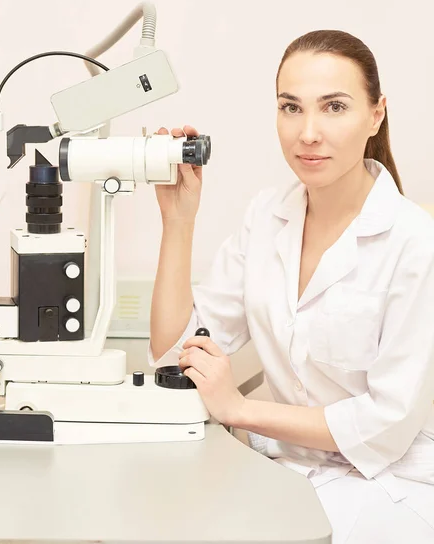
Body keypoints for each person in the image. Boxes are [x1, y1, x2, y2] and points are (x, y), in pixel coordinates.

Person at [150, 31, 434, 542]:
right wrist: (179, 220)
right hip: (284, 478)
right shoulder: (267, 217)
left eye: (334, 107)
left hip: (388, 488)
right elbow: (175, 350)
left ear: (376, 114)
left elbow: (385, 425)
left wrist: (239, 409)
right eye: (290, 107)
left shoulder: (414, 242)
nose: (308, 132)